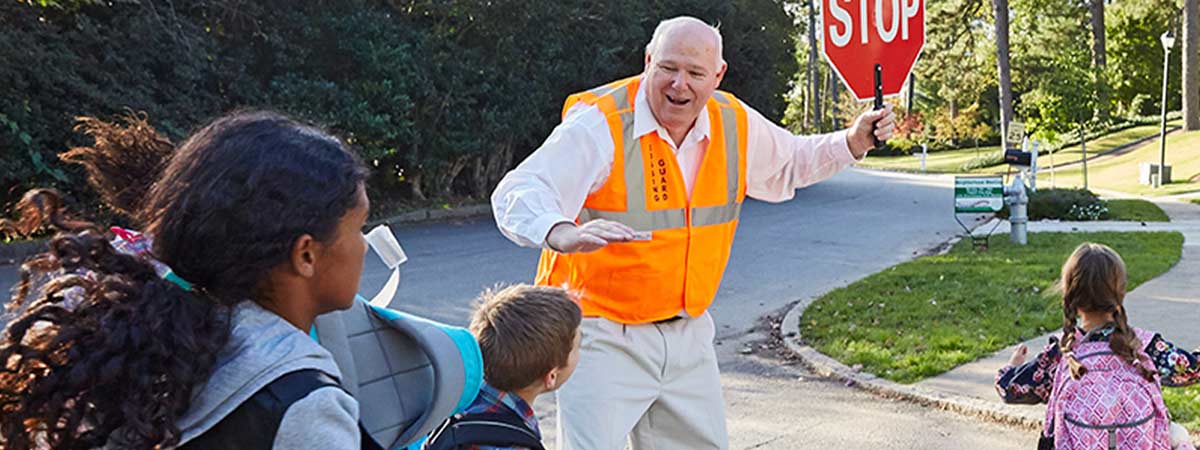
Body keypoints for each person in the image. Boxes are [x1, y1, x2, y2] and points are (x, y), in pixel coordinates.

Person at [489, 15, 894, 450]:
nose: (679, 85)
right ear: (648, 61)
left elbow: (790, 161)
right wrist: (558, 229)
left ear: (717, 75)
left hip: (687, 332)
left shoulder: (733, 121)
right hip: (601, 333)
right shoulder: (602, 123)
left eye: (695, 73)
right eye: (668, 68)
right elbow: (519, 189)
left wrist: (853, 141)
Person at [0, 111, 377, 449]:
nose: (364, 245)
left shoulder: (147, 343)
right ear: (306, 255)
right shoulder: (302, 406)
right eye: (359, 228)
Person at [996, 243, 1199, 450]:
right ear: (1122, 291)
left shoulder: (1062, 353)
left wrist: (1012, 367)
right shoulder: (1146, 347)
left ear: (1068, 293)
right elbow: (1193, 369)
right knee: (1178, 435)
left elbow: (1008, 388)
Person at [423, 284, 582, 450]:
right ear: (551, 376)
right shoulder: (511, 444)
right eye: (578, 346)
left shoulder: (451, 405)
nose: (579, 352)